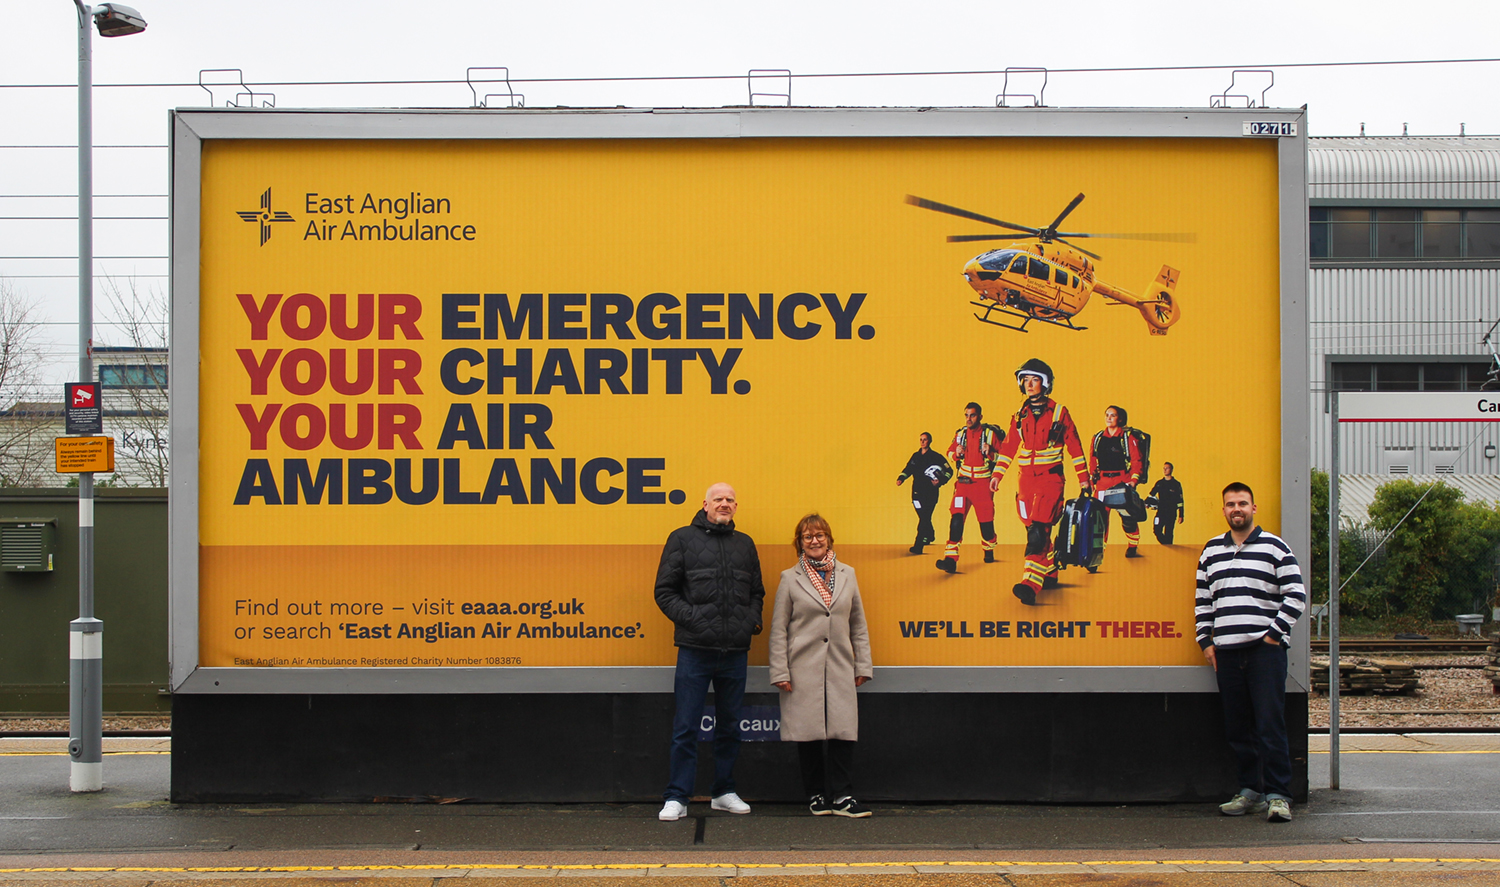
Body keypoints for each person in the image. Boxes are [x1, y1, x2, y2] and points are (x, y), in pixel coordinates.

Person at [653, 482, 766, 822]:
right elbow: (664, 592)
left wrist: (750, 623)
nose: (725, 504)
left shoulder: (744, 544)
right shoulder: (682, 539)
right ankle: (677, 796)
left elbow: (757, 592)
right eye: (718, 499)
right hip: (694, 650)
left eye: (731, 499)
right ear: (705, 504)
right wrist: (696, 622)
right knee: (686, 725)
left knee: (730, 726)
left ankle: (723, 791)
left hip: (735, 651)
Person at [1195, 482, 1306, 824]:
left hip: (1263, 653)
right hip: (1226, 655)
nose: (1236, 509)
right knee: (1238, 726)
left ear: (1254, 508)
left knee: (1270, 724)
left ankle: (1278, 796)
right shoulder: (1211, 551)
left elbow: (1296, 595)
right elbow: (1203, 600)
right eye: (1230, 504)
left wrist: (1273, 636)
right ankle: (1250, 791)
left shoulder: (1275, 547)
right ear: (1224, 510)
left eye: (1242, 503)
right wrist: (1206, 642)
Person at [769, 514, 874, 818]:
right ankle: (816, 795)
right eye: (807, 537)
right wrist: (779, 672)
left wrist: (863, 665)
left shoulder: (847, 574)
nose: (814, 541)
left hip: (840, 665)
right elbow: (779, 629)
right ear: (799, 543)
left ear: (829, 538)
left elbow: (858, 624)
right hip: (802, 668)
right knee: (809, 734)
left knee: (842, 732)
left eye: (820, 535)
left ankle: (842, 796)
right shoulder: (790, 578)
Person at [989, 359, 1091, 605]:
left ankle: (1030, 584)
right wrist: (996, 475)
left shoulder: (1059, 412)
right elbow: (1009, 447)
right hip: (1025, 482)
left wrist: (1084, 480)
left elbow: (1074, 446)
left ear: (1045, 383)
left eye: (1034, 380)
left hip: (1050, 480)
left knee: (1038, 530)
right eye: (1026, 380)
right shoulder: (1018, 416)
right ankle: (1050, 569)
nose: (1029, 384)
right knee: (1032, 529)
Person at [936, 403, 1007, 573]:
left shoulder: (990, 434)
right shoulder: (960, 434)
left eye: (972, 415)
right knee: (956, 519)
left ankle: (988, 548)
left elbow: (1004, 456)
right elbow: (949, 452)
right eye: (966, 415)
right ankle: (950, 559)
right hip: (963, 484)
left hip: (983, 485)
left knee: (986, 524)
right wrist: (956, 453)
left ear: (980, 417)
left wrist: (990, 452)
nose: (969, 419)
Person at [1089, 405, 1145, 559]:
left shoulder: (1127, 438)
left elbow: (1136, 460)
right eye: (1107, 414)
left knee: (1127, 518)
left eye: (1112, 415)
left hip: (1122, 481)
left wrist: (1133, 481)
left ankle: (1133, 545)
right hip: (1102, 483)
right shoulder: (1098, 438)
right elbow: (1093, 460)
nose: (1108, 418)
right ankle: (1098, 553)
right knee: (1099, 520)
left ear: (1119, 418)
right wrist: (1092, 480)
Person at [897, 432, 954, 555]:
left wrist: (940, 481)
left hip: (931, 493)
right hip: (916, 493)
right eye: (921, 439)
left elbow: (949, 471)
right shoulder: (915, 456)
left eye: (925, 439)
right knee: (924, 517)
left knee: (925, 517)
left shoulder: (936, 457)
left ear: (930, 441)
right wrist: (901, 478)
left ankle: (919, 545)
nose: (922, 442)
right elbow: (908, 469)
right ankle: (930, 534)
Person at [1149, 461, 1185, 544]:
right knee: (1156, 530)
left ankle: (1169, 549)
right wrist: (1147, 504)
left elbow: (1180, 501)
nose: (1165, 470)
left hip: (1171, 512)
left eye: (1167, 468)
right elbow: (1151, 495)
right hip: (1161, 512)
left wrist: (1181, 515)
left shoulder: (1176, 484)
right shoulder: (1159, 483)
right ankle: (1166, 544)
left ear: (1171, 470)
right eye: (1164, 468)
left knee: (1169, 532)